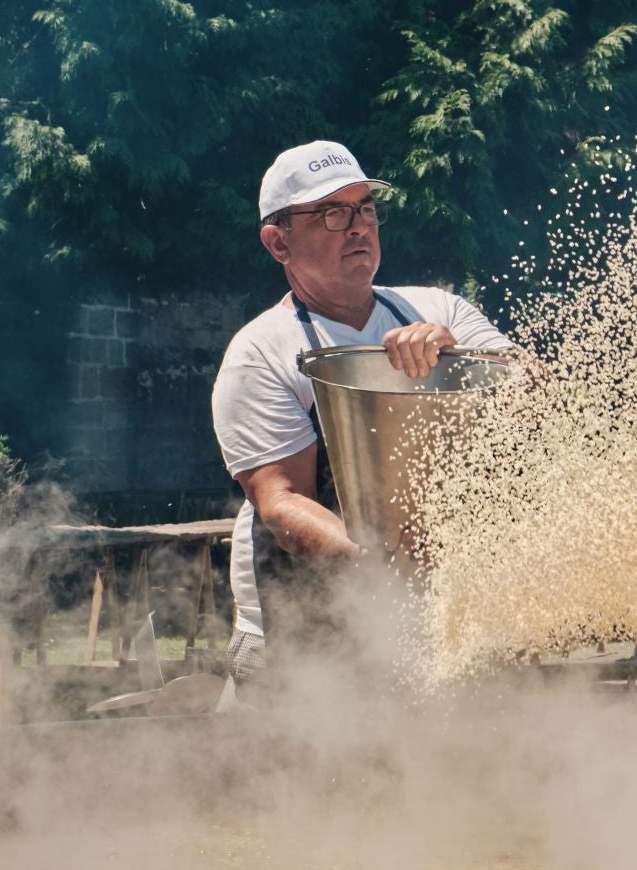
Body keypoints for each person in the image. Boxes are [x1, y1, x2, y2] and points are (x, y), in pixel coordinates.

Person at [211, 140, 520, 692]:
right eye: (332, 213)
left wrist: (462, 361)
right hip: (302, 641)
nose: (357, 227)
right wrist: (386, 576)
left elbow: (537, 395)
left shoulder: (440, 310)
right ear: (278, 241)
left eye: (366, 209)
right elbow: (282, 501)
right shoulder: (260, 352)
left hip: (447, 624)